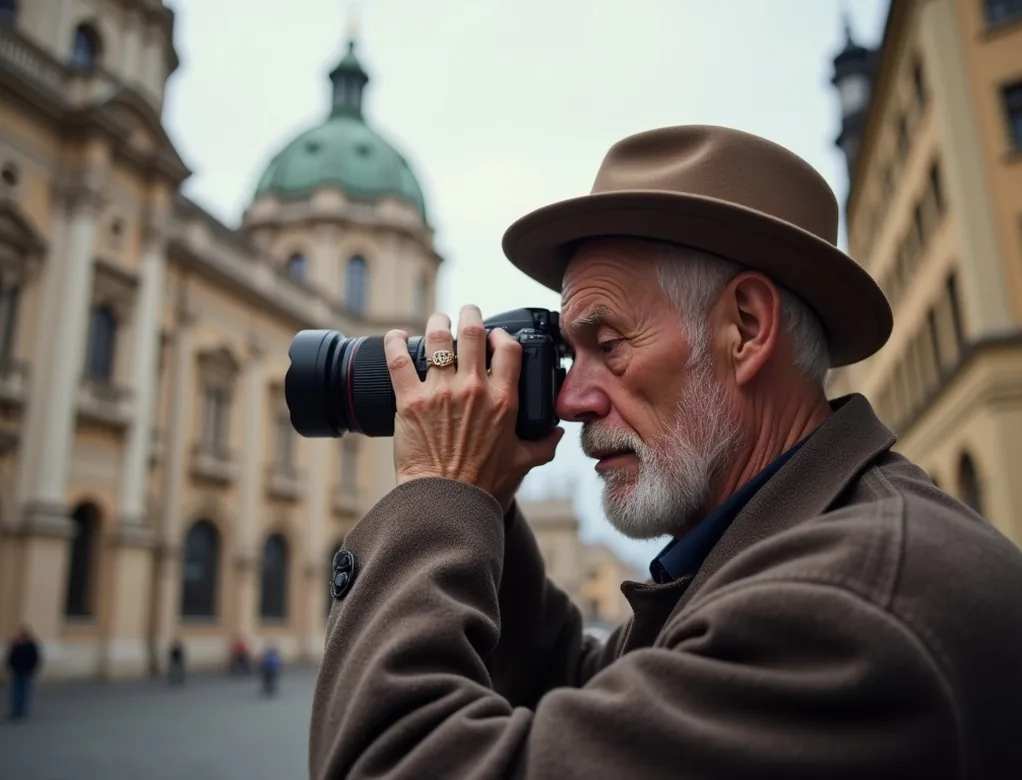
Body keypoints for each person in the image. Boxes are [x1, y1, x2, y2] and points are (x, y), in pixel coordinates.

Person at [308, 125, 1022, 778]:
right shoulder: (777, 546)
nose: (569, 398)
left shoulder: (849, 606)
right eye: (568, 353)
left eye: (607, 344)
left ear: (744, 328)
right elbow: (587, 691)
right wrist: (484, 500)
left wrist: (439, 486)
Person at [5, 624, 42, 720]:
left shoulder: (30, 645)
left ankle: (21, 710)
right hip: (17, 670)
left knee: (24, 691)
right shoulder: (16, 644)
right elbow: (11, 657)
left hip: (26, 671)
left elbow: (35, 658)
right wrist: (11, 666)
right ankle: (16, 709)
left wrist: (31, 668)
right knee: (16, 691)